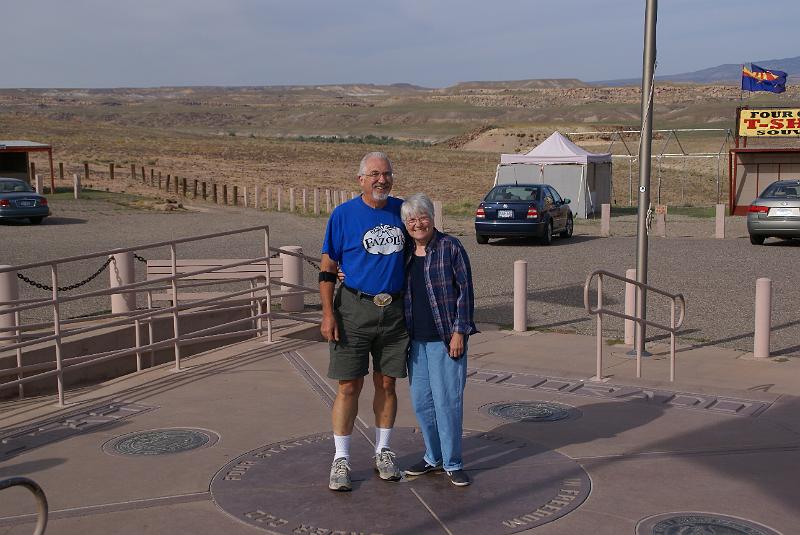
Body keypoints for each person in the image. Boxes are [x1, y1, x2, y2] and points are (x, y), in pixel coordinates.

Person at [319, 152, 408, 492]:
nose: (381, 179)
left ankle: (383, 451)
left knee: (387, 384)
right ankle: (341, 458)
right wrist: (328, 315)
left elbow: (426, 240)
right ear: (360, 179)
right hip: (353, 310)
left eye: (386, 174)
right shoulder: (343, 215)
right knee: (349, 385)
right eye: (373, 174)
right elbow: (328, 269)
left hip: (395, 313)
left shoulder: (403, 211)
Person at [400, 193, 477, 487]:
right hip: (415, 342)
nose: (417, 224)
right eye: (411, 219)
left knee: (447, 403)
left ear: (432, 218)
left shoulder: (450, 247)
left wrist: (460, 331)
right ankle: (433, 457)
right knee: (422, 403)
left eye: (422, 217)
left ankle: (453, 462)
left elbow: (465, 292)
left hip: (446, 339)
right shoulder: (406, 251)